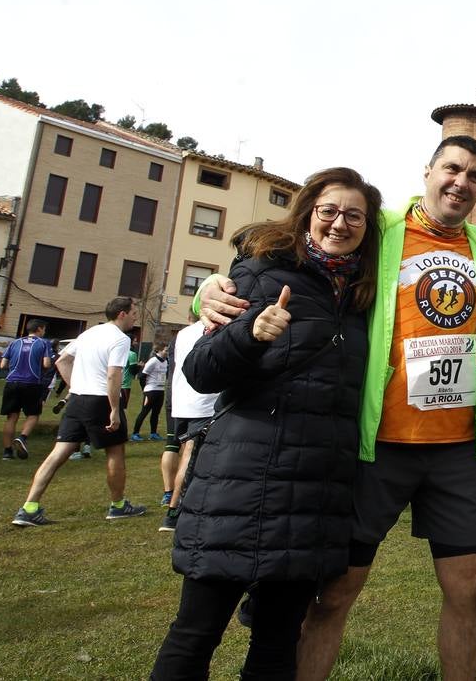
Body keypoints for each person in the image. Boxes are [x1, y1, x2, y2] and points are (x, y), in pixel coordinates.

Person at [200, 136, 476, 681]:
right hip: (378, 445)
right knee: (336, 591)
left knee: (471, 587)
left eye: (474, 175)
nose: (461, 182)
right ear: (428, 171)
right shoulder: (377, 230)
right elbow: (295, 252)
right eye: (452, 169)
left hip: (456, 448)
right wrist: (207, 293)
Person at [149, 167, 381, 678]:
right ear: (307, 215)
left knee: (278, 642)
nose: (340, 224)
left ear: (368, 228)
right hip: (241, 482)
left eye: (354, 216)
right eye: (329, 211)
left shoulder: (365, 295)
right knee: (195, 635)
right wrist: (250, 333)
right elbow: (201, 371)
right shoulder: (261, 272)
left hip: (313, 494)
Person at [10, 299, 145, 527]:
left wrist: (75, 386)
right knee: (115, 452)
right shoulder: (120, 339)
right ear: (122, 314)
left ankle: (28, 508)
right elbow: (113, 376)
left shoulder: (89, 334)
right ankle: (119, 506)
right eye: (133, 313)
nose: (135, 318)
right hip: (101, 400)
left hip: (78, 400)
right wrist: (114, 410)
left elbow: (61, 360)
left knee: (57, 454)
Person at [158, 317, 219, 532]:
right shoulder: (215, 326)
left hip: (181, 400)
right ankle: (174, 512)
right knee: (190, 455)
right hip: (203, 401)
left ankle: (174, 500)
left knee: (181, 449)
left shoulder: (182, 334)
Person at [0, 319, 53, 460]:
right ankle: (22, 438)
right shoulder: (43, 343)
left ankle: (7, 452)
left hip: (12, 382)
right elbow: (47, 364)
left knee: (11, 417)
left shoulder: (15, 342)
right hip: (32, 383)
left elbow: (3, 364)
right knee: (33, 414)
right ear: (40, 329)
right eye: (44, 329)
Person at [131, 344, 168, 441]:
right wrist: (145, 390)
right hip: (150, 391)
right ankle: (135, 433)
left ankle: (153, 433)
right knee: (144, 412)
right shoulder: (152, 361)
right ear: (159, 351)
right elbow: (141, 376)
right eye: (165, 350)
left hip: (160, 391)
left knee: (156, 413)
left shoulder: (165, 362)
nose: (167, 352)